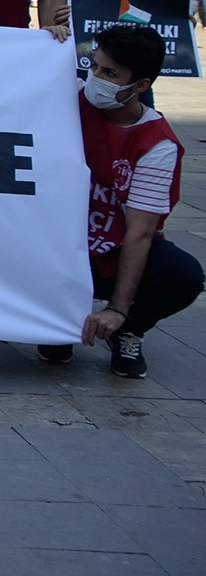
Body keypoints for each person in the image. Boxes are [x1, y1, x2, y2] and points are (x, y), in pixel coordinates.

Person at [37, 24, 203, 378]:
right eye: (94, 66)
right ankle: (61, 322)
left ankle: (127, 329)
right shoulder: (71, 99)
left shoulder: (156, 144)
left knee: (183, 275)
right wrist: (44, 38)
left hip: (110, 253)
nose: (96, 77)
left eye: (110, 73)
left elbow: (140, 233)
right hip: (56, 245)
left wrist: (119, 308)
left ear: (141, 85)